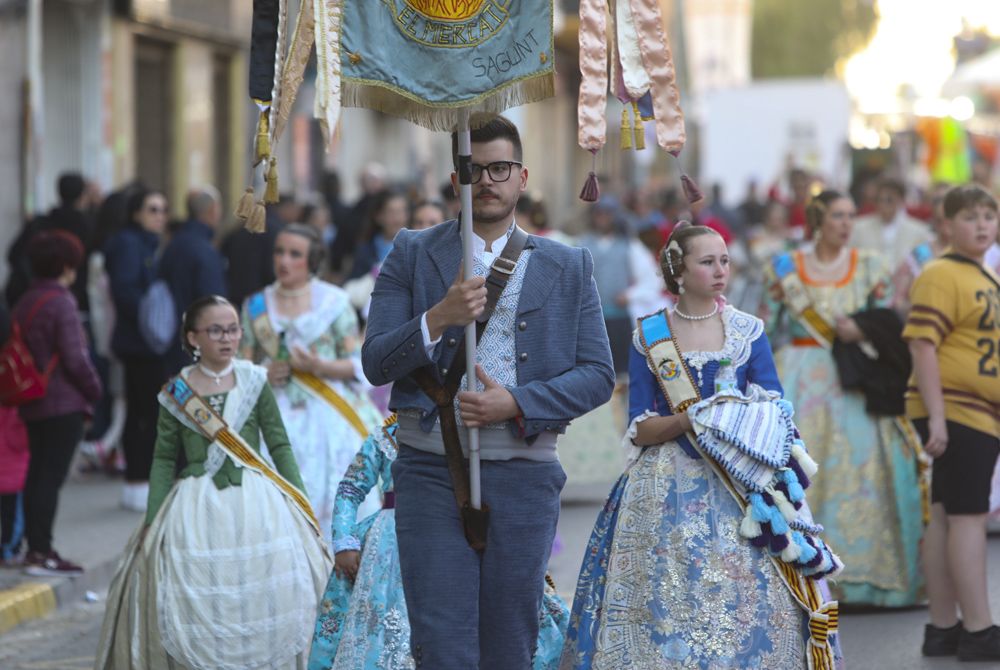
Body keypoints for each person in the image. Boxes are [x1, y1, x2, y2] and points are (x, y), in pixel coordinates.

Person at [362, 114, 614, 669]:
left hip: (525, 472)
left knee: (509, 644)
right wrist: (439, 316)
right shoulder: (412, 251)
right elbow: (376, 361)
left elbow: (597, 374)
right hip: (429, 471)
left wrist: (518, 402)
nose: (488, 180)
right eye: (474, 170)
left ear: (522, 177)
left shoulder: (568, 265)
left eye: (500, 168)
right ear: (457, 180)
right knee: (442, 643)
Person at [561, 221, 844, 668]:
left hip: (742, 484)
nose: (720, 271)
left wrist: (734, 421)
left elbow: (775, 411)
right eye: (707, 261)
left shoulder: (748, 330)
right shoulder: (649, 335)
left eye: (725, 261)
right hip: (662, 488)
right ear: (678, 269)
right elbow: (640, 426)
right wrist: (692, 419)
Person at [95, 295, 331, 669]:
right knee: (200, 591)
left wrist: (301, 500)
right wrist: (153, 519)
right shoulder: (177, 392)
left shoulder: (254, 379)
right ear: (193, 338)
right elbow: (163, 458)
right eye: (216, 330)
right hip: (196, 504)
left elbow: (279, 443)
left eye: (234, 329)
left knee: (264, 588)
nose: (227, 338)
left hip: (257, 502)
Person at [308, 415, 570, 670]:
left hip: (459, 530)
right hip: (389, 545)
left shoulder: (472, 431)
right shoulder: (385, 436)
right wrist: (345, 541)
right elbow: (351, 488)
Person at [766, 190, 925, 606]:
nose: (846, 223)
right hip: (800, 375)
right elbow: (764, 325)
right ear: (818, 221)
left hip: (854, 378)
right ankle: (799, 576)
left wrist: (865, 329)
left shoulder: (872, 266)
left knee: (863, 467)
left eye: (851, 215)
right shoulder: (787, 268)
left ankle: (864, 581)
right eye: (838, 215)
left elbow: (890, 323)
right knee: (800, 472)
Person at [240, 224, 383, 545]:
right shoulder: (255, 305)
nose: (284, 261)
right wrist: (263, 372)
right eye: (279, 252)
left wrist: (317, 366)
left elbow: (357, 362)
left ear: (312, 260)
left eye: (295, 254)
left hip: (330, 409)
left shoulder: (334, 302)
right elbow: (240, 365)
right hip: (273, 409)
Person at [904, 185, 1000, 661]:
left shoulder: (982, 272)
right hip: (957, 411)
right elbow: (922, 343)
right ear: (945, 225)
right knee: (968, 517)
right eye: (969, 217)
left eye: (989, 215)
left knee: (945, 516)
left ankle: (943, 627)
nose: (982, 224)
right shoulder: (942, 272)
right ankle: (980, 630)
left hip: (974, 412)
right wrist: (937, 417)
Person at [14, 231, 102, 575]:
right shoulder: (62, 302)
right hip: (62, 403)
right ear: (67, 265)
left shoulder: (26, 300)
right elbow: (75, 357)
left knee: (37, 475)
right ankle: (42, 550)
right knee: (49, 477)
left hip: (32, 400)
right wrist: (95, 390)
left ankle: (34, 548)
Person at [104, 188, 170, 510]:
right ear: (136, 213)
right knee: (144, 414)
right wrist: (152, 321)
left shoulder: (145, 243)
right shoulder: (130, 244)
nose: (159, 216)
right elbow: (126, 291)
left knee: (143, 412)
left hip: (142, 342)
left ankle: (138, 479)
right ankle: (137, 479)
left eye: (162, 210)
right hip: (140, 344)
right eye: (152, 209)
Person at [159, 186, 228, 373]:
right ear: (213, 210)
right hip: (196, 341)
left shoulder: (173, 244)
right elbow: (213, 301)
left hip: (170, 335)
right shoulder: (204, 250)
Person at [578, 196, 635, 374]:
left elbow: (648, 279)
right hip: (590, 317)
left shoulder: (628, 245)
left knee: (620, 368)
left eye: (608, 214)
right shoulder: (582, 244)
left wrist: (630, 295)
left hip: (619, 318)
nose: (603, 218)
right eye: (599, 214)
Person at [891, 184, 951, 315]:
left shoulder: (981, 253)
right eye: (940, 220)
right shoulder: (919, 253)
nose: (946, 226)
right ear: (934, 221)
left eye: (949, 220)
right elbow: (897, 299)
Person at [851, 177, 933, 270]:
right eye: (879, 200)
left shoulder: (920, 231)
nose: (883, 205)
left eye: (889, 200)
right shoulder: (858, 228)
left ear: (900, 200)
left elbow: (924, 263)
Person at [349, 189, 409, 280]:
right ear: (378, 217)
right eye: (391, 212)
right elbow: (352, 283)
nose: (397, 219)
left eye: (401, 212)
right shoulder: (366, 250)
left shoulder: (416, 248)